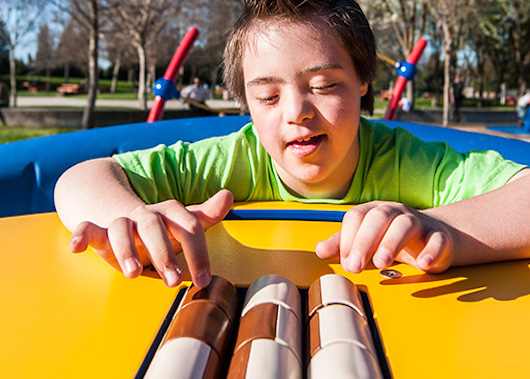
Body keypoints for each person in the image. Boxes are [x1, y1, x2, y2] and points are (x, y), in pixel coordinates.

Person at [54, 0, 530, 290]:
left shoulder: (408, 163)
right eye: (267, 95)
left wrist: (435, 227)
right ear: (246, 101)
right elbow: (82, 178)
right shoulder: (233, 160)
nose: (296, 112)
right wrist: (133, 217)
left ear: (365, 79)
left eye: (323, 85)